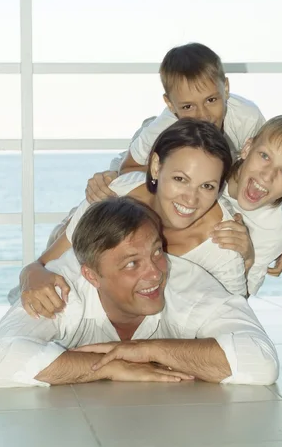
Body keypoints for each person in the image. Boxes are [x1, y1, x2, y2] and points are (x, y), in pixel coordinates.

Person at [0, 197, 279, 388]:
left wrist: (145, 351)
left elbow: (261, 361)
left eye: (157, 252)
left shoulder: (188, 284)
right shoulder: (63, 286)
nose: (155, 272)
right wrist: (108, 368)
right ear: (92, 276)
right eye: (132, 263)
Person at [17, 119, 253, 319]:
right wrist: (32, 275)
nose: (191, 199)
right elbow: (43, 264)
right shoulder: (115, 194)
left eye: (207, 186)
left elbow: (237, 324)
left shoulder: (223, 246)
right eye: (180, 179)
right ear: (156, 167)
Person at [85, 42, 265, 204]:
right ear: (171, 104)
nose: (203, 116)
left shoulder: (248, 118)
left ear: (225, 88)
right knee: (105, 190)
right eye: (188, 106)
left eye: (211, 100)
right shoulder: (163, 128)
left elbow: (266, 164)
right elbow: (128, 168)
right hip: (144, 152)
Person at [218, 115, 282, 294]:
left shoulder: (274, 231)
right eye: (265, 156)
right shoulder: (217, 164)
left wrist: (248, 257)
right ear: (247, 149)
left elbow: (242, 295)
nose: (267, 175)